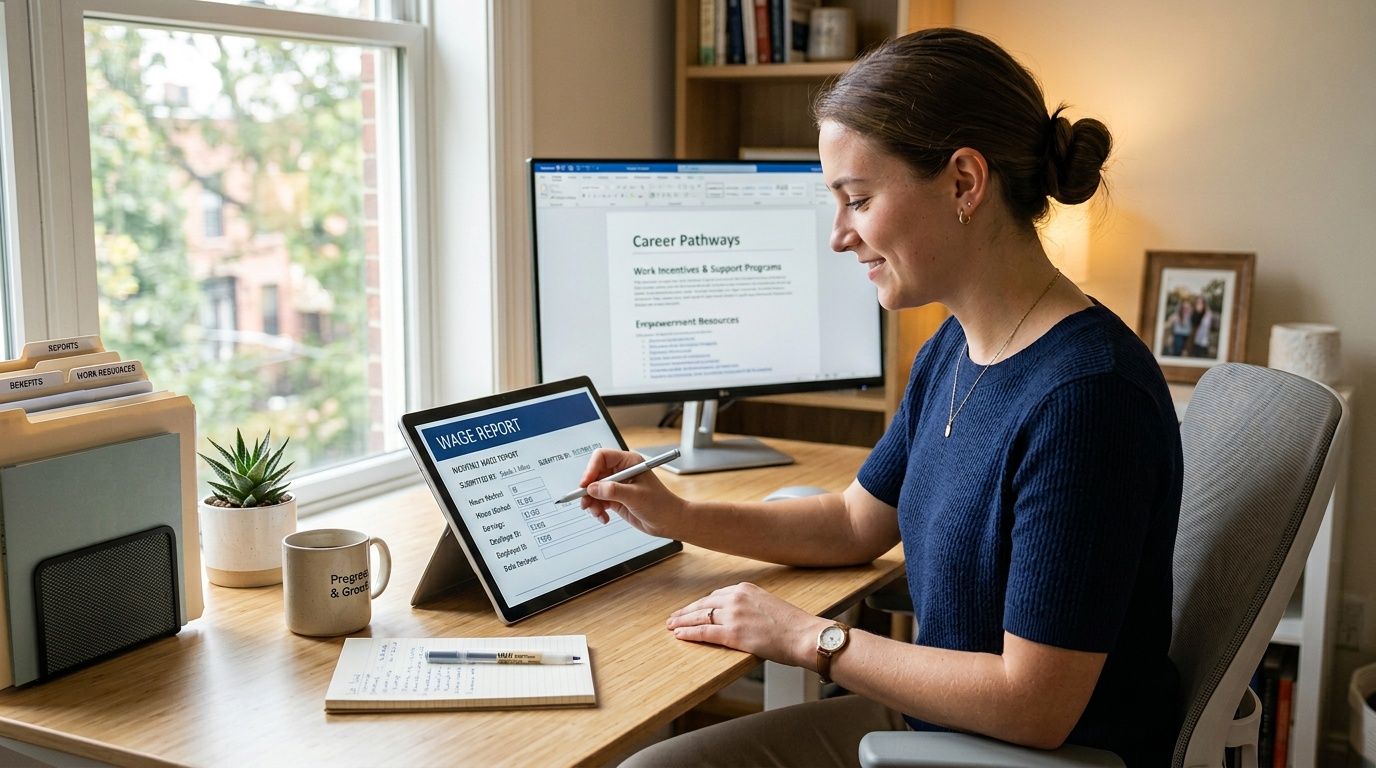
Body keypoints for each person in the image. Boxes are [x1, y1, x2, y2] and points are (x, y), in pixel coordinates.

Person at [580, 27, 1182, 768]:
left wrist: (809, 637)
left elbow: (1036, 705)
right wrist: (679, 512)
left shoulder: (1088, 402)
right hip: (935, 731)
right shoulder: (955, 349)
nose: (839, 236)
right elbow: (853, 522)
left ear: (964, 182)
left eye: (857, 199)